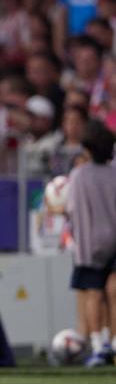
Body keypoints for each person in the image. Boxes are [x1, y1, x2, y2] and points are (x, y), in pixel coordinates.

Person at [66, 121, 116, 367]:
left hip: (90, 243)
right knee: (114, 291)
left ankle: (98, 345)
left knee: (93, 293)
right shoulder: (114, 172)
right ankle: (115, 342)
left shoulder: (79, 175)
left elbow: (71, 208)